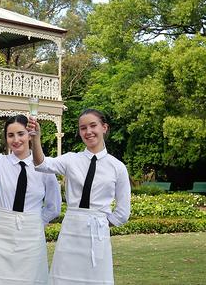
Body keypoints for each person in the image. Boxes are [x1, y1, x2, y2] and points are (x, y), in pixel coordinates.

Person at [30, 109, 131, 285]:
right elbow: (41, 164)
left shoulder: (117, 167)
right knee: (64, 278)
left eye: (93, 126)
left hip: (97, 233)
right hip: (71, 229)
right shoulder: (71, 160)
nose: (88, 131)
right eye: (83, 128)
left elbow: (123, 211)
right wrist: (36, 139)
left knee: (95, 279)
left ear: (104, 128)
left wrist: (100, 221)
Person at [0, 114, 61, 285]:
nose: (16, 140)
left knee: (30, 279)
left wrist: (34, 222)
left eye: (20, 134)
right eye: (10, 135)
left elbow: (54, 207)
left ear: (30, 134)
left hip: (31, 235)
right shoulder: (0, 162)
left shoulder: (44, 167)